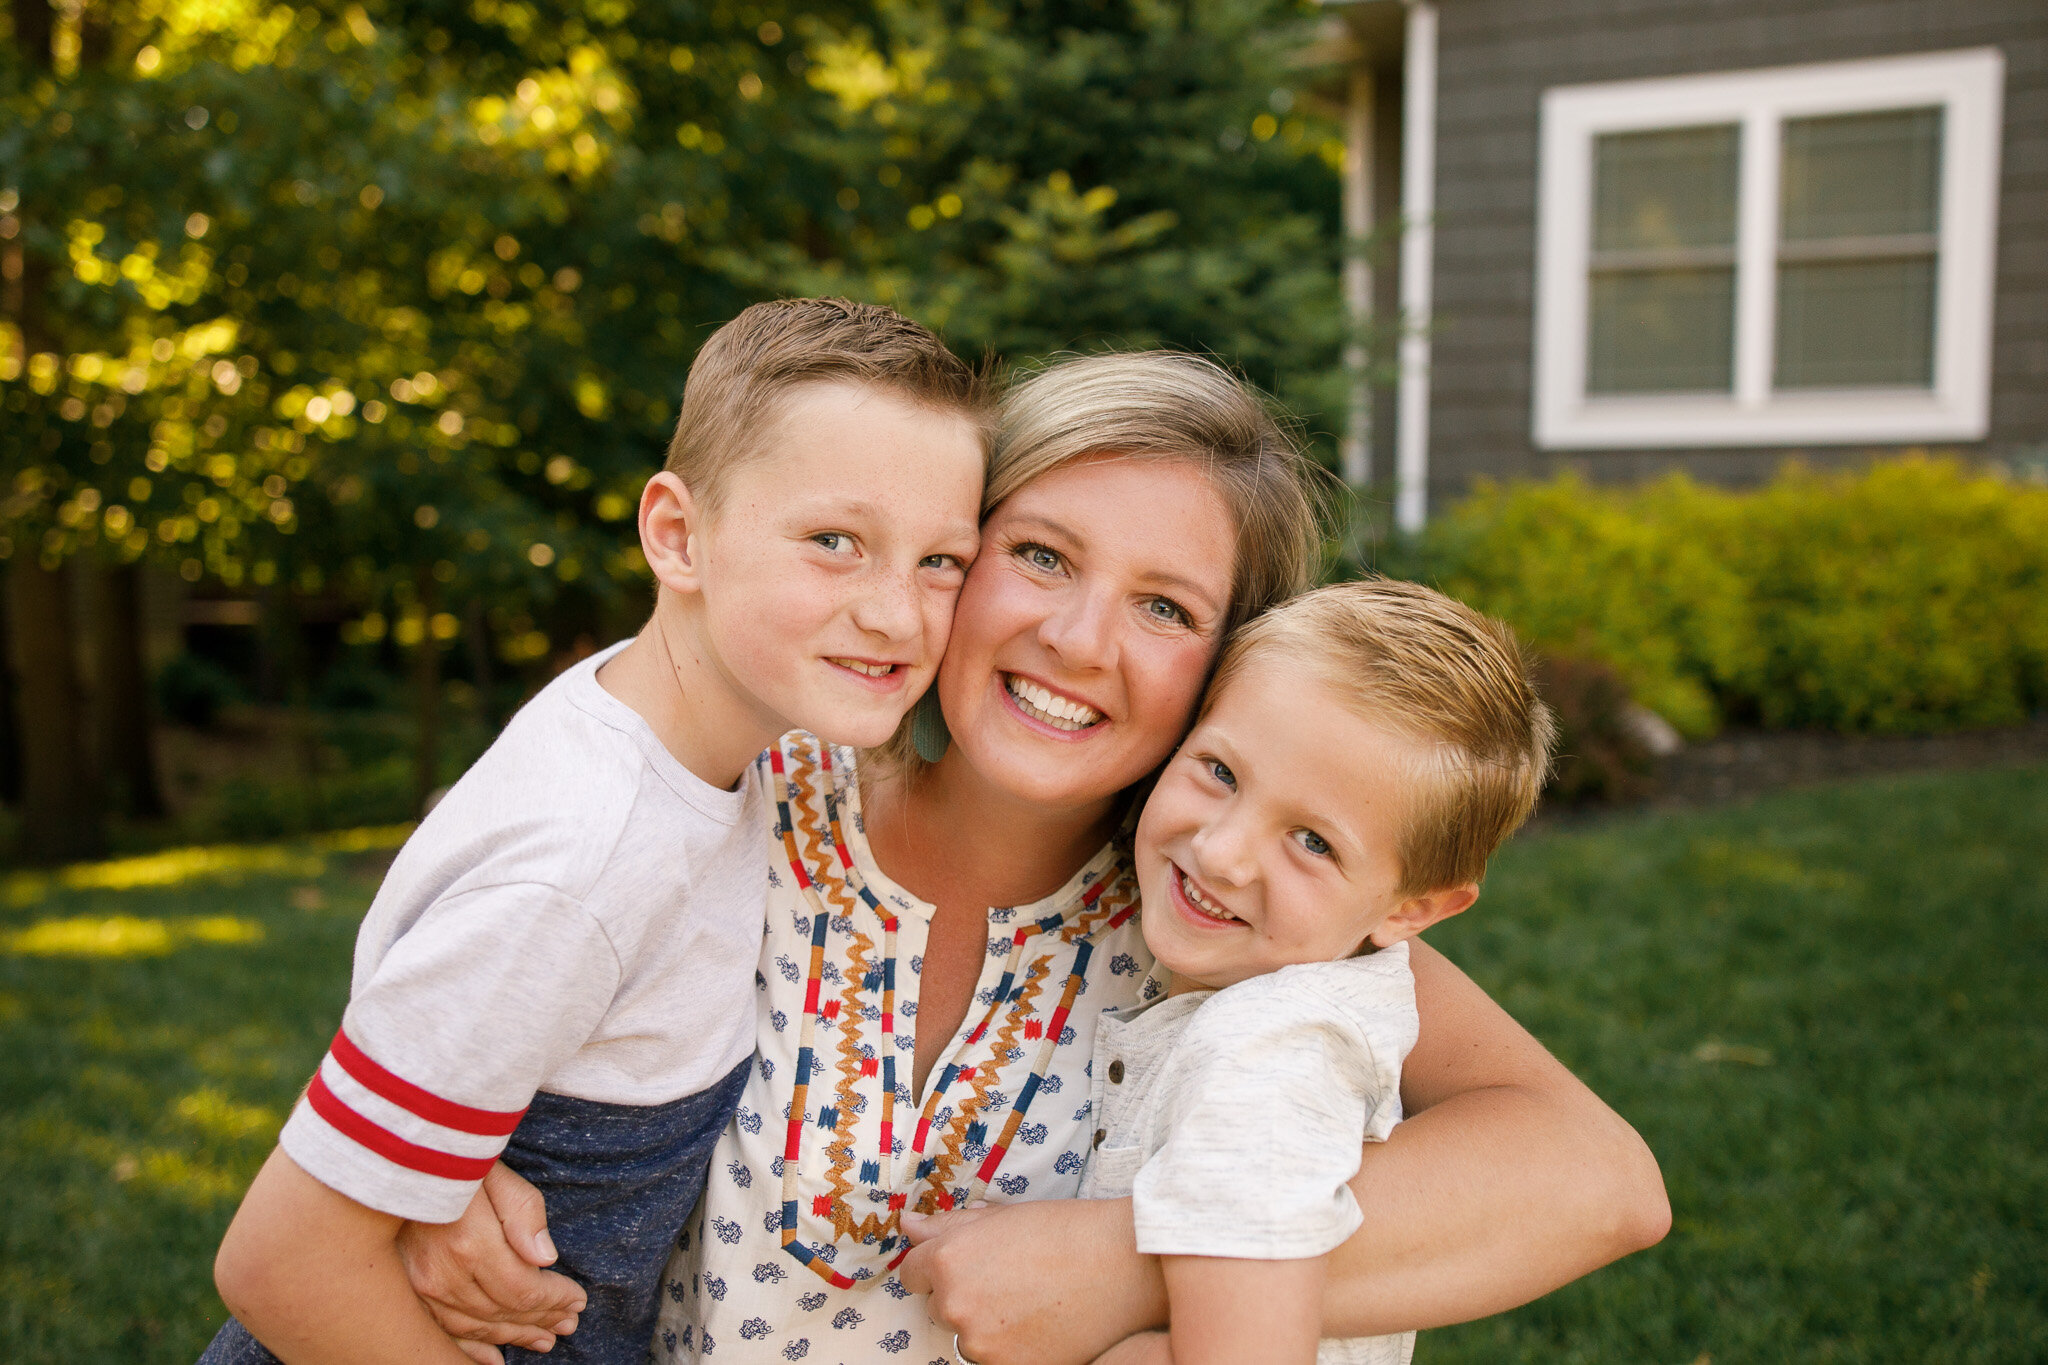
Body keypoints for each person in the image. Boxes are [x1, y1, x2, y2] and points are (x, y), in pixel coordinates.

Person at [398, 351, 1669, 1365]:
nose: (1074, 637)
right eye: (1041, 555)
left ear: (1229, 666)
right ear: (953, 556)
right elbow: (478, 955)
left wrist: (1125, 1259)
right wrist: (438, 1170)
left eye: (1164, 607)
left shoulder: (1218, 921)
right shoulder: (756, 791)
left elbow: (1597, 1181)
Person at [199, 299, 994, 1365]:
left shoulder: (707, 735)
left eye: (941, 561)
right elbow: (281, 1266)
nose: (897, 614)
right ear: (677, 536)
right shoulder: (585, 858)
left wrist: (453, 1157)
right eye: (834, 543)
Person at [1078, 579, 1555, 1365]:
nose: (1222, 851)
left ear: (1410, 909)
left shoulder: (1265, 1057)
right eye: (1221, 772)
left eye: (1312, 842)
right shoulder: (1261, 996)